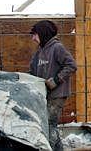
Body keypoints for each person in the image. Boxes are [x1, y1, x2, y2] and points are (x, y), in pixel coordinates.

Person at [29, 20, 77, 151]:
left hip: (58, 94)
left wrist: (56, 80)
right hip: (46, 94)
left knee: (50, 123)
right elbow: (32, 71)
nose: (33, 38)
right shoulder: (40, 52)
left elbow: (71, 65)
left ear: (43, 33)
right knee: (49, 124)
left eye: (35, 35)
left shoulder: (57, 48)